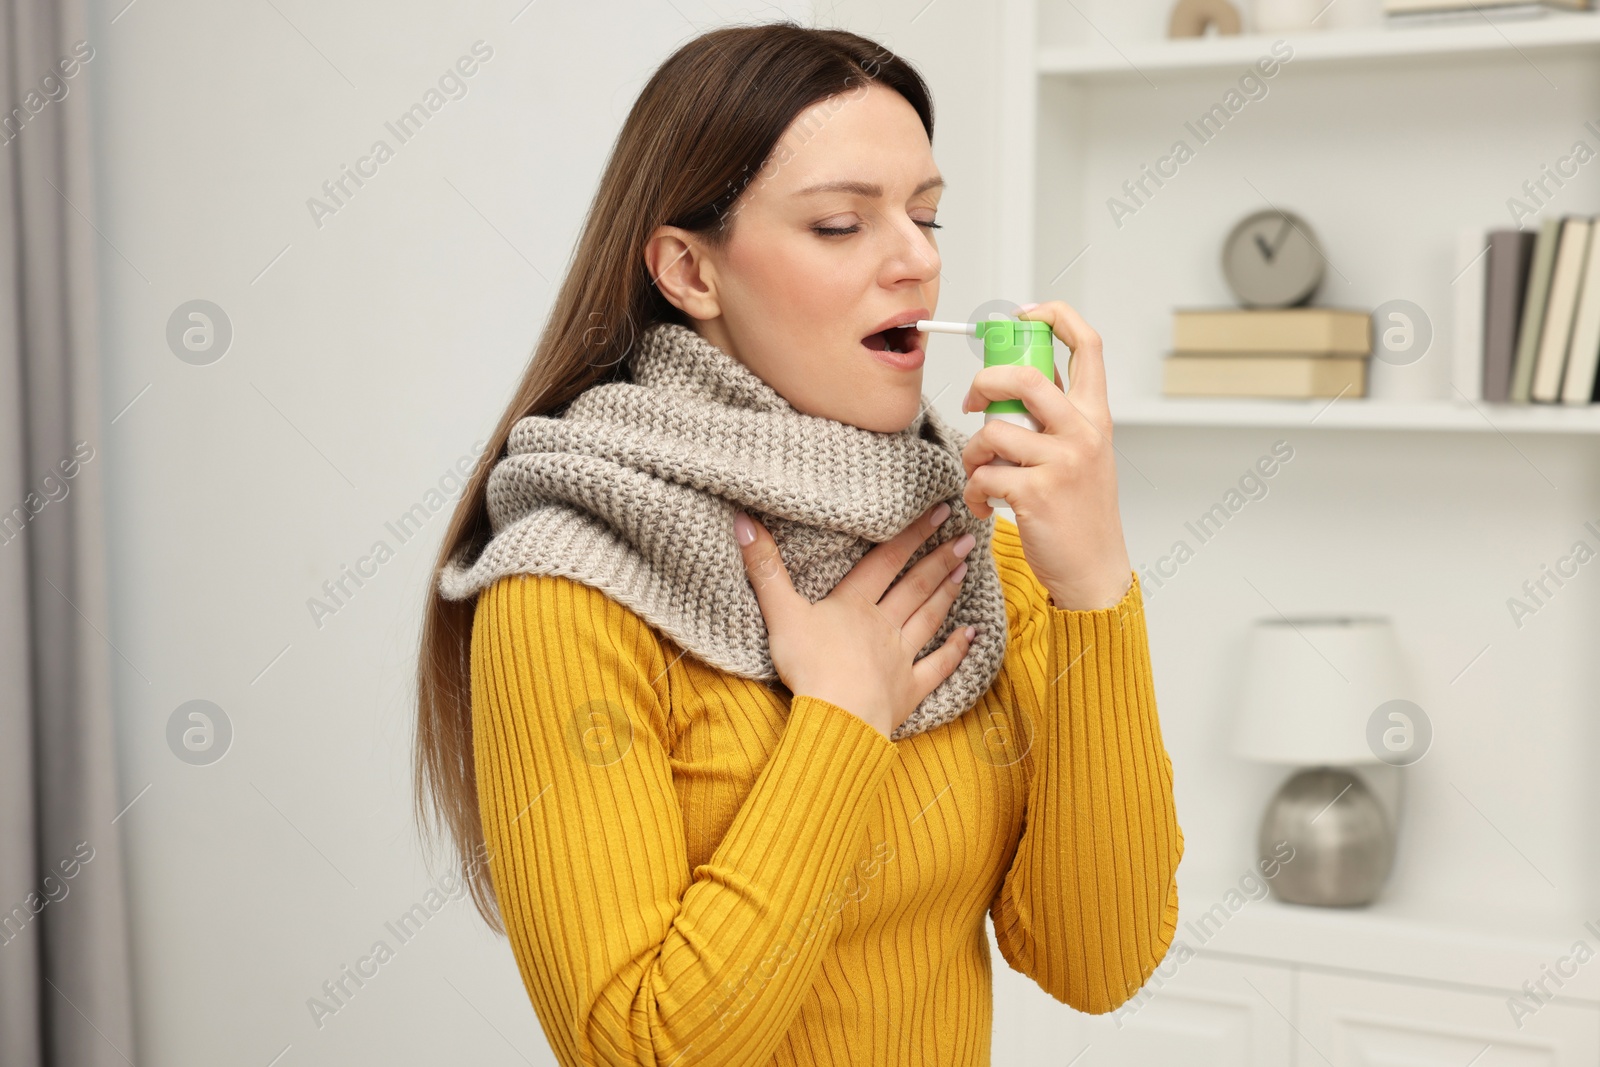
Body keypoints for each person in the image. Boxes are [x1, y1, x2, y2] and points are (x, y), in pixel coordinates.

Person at [413, 21, 1182, 1066]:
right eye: (838, 225)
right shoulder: (568, 583)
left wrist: (1093, 582)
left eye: (926, 216)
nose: (916, 260)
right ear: (689, 270)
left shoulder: (971, 553)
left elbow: (1101, 961)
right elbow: (640, 1049)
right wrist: (839, 715)